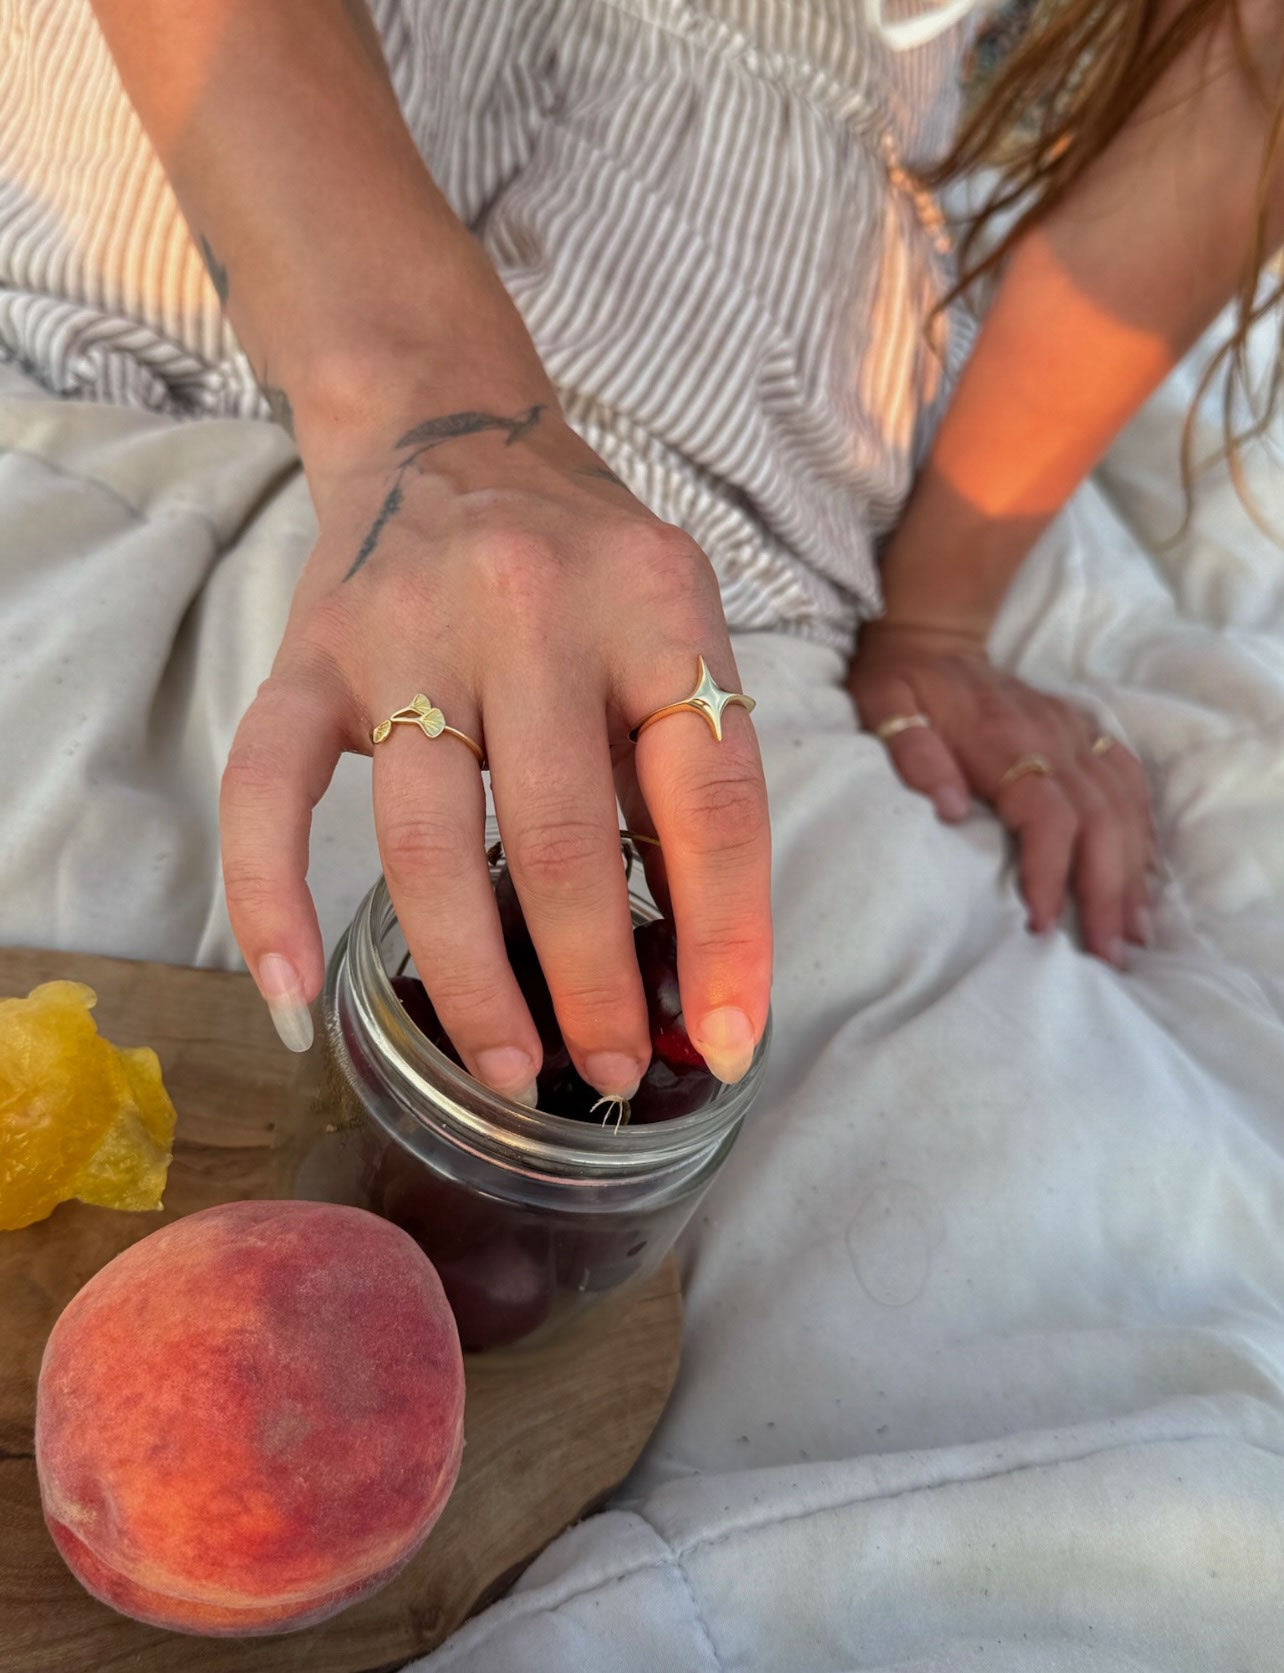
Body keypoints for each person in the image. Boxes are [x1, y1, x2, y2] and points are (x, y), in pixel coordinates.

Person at [78, 0, 1282, 1093]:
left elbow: (1242, 50)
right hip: (193, 202)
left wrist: (939, 616)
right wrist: (434, 425)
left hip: (748, 457)